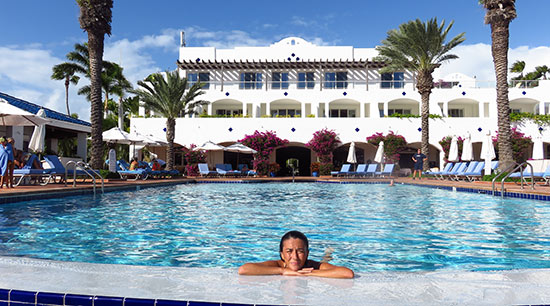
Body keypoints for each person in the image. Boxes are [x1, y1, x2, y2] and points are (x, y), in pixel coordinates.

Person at [238, 230, 354, 279]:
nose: (295, 257)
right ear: (282, 255)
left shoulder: (313, 265)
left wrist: (311, 272)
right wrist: (283, 271)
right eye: (289, 251)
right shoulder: (278, 265)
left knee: (325, 260)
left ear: (307, 253)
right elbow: (244, 269)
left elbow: (347, 273)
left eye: (300, 251)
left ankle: (328, 253)